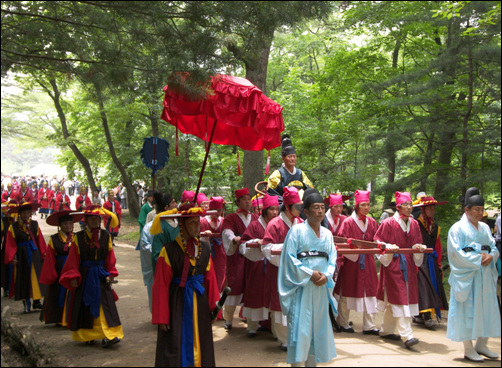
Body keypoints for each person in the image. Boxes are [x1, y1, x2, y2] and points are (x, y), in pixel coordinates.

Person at [151, 206, 219, 367]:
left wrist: (214, 307)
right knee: (175, 340)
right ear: (182, 225)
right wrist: (162, 316)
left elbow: (210, 279)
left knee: (202, 337)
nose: (197, 226)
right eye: (192, 223)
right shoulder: (168, 251)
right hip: (178, 302)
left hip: (200, 303)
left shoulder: (204, 248)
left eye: (198, 222)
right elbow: (160, 285)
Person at [278, 193, 338, 367]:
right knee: (300, 327)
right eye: (315, 207)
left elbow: (332, 258)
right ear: (305, 211)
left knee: (317, 328)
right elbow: (289, 258)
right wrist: (309, 273)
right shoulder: (296, 231)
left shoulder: (327, 234)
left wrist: (326, 275)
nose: (320, 211)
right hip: (302, 286)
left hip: (320, 287)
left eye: (322, 207)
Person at [446, 187, 500, 362]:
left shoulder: (484, 228)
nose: (480, 213)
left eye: (481, 209)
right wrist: (478, 259)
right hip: (467, 278)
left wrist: (491, 255)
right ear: (466, 209)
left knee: (487, 309)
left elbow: (493, 246)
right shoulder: (457, 229)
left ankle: (482, 344)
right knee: (467, 311)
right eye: (476, 209)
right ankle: (468, 348)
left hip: (484, 276)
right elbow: (456, 254)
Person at [59, 205, 124, 347]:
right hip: (85, 274)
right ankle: (87, 335)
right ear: (86, 220)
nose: (95, 221)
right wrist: (73, 275)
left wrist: (112, 272)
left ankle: (109, 335)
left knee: (104, 304)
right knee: (85, 305)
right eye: (92, 218)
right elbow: (73, 258)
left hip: (101, 275)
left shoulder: (106, 235)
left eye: (97, 218)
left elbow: (109, 256)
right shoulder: (79, 237)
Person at [374, 191, 426, 349]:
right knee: (399, 296)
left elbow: (418, 241)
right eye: (406, 205)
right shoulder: (388, 223)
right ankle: (407, 335)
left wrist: (418, 247)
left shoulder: (415, 223)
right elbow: (377, 241)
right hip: (394, 264)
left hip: (409, 264)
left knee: (402, 296)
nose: (409, 207)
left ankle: (386, 329)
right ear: (398, 207)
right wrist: (388, 246)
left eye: (410, 204)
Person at [261, 187, 303, 351]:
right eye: (297, 206)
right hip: (280, 271)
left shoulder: (300, 223)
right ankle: (284, 338)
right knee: (281, 305)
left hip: (298, 272)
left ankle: (296, 336)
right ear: (287, 207)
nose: (300, 209)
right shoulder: (275, 224)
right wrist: (289, 248)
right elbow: (266, 248)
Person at [334, 190, 380, 335]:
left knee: (371, 292)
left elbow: (377, 239)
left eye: (368, 204)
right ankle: (342, 322)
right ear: (357, 206)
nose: (366, 208)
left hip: (368, 261)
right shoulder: (347, 222)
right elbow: (341, 242)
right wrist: (355, 249)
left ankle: (369, 325)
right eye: (363, 205)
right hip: (351, 262)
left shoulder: (372, 222)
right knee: (347, 291)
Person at [239, 194, 279, 337]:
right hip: (257, 267)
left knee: (273, 297)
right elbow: (243, 244)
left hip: (273, 266)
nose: (274, 212)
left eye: (276, 209)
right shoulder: (255, 225)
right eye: (271, 209)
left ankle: (275, 328)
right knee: (255, 293)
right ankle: (252, 326)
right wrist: (256, 241)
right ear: (265, 210)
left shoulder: (278, 225)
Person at [221, 187, 258, 330]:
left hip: (252, 258)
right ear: (238, 202)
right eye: (244, 199)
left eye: (249, 199)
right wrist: (234, 239)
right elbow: (227, 232)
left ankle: (252, 323)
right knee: (234, 287)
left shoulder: (255, 217)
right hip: (237, 258)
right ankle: (228, 319)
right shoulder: (230, 218)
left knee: (252, 288)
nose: (247, 202)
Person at [412, 196, 449, 330]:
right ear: (423, 209)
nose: (432, 211)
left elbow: (437, 245)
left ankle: (423, 315)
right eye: (430, 208)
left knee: (432, 286)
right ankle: (426, 315)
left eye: (434, 208)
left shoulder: (435, 226)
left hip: (431, 260)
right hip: (419, 259)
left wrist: (438, 262)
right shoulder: (415, 224)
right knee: (423, 285)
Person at [39, 209, 81, 325]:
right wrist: (51, 274)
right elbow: (50, 258)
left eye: (70, 224)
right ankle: (60, 318)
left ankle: (73, 317)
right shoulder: (54, 239)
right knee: (58, 293)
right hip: (59, 270)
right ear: (60, 226)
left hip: (74, 269)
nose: (68, 226)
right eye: (65, 224)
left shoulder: (77, 237)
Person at [4, 202, 46, 313]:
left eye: (28, 212)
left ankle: (37, 301)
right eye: (24, 212)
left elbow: (40, 240)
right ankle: (26, 304)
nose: (26, 215)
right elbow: (10, 243)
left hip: (34, 253)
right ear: (20, 214)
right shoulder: (13, 227)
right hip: (22, 255)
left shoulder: (34, 224)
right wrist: (12, 256)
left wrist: (43, 253)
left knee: (36, 277)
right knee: (24, 279)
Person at [140, 191, 176, 312]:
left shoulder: (177, 223)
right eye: (173, 202)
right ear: (166, 207)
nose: (176, 204)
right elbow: (146, 246)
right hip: (160, 265)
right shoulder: (150, 227)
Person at [267, 134, 314, 203]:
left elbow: (310, 189)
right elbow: (271, 193)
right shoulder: (277, 174)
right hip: (285, 205)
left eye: (294, 156)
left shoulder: (300, 173)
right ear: (283, 158)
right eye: (289, 157)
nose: (292, 159)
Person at [200, 196, 227, 292]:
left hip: (221, 253)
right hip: (207, 251)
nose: (218, 213)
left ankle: (219, 296)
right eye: (215, 210)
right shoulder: (202, 221)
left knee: (220, 273)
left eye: (220, 210)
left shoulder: (224, 221)